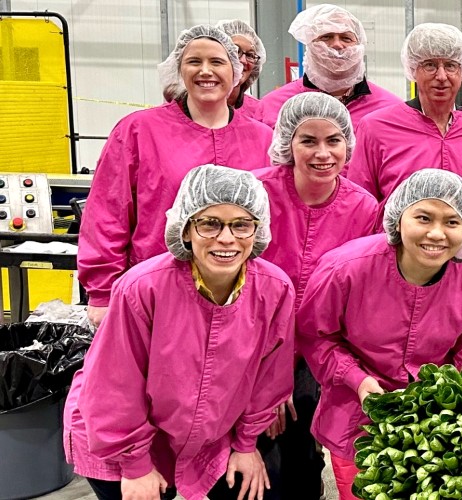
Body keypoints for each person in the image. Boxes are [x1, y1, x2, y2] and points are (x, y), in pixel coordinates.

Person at [63, 165, 293, 500]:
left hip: (202, 436)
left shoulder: (274, 289)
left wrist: (246, 445)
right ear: (185, 230)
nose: (226, 238)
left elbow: (268, 379)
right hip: (116, 437)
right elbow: (115, 384)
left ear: (257, 231)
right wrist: (135, 466)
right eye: (209, 223)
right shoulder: (143, 288)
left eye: (241, 225)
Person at [298, 169, 462, 500]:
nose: (436, 233)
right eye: (423, 217)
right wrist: (357, 380)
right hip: (354, 417)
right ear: (398, 217)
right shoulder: (345, 269)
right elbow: (317, 338)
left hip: (436, 422)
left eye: (452, 222)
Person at [79, 24, 273, 327]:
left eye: (217, 62)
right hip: (154, 290)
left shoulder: (262, 139)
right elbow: (108, 213)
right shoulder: (139, 131)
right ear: (178, 70)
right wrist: (102, 292)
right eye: (194, 62)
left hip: (239, 296)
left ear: (235, 71)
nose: (205, 71)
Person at [252, 92, 379, 499]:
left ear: (349, 146)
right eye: (308, 140)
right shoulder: (256, 194)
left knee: (303, 458)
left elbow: (360, 295)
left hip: (316, 350)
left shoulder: (364, 207)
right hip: (253, 346)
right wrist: (269, 383)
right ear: (287, 142)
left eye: (333, 141)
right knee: (256, 462)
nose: (322, 153)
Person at [346, 23, 462, 200]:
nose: (441, 76)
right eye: (430, 65)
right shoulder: (377, 128)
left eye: (450, 65)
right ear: (413, 69)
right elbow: (360, 203)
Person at [258, 4, 400, 128]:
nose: (337, 44)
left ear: (360, 46)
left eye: (346, 38)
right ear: (310, 44)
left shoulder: (391, 108)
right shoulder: (273, 106)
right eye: (326, 36)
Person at [215, 19, 267, 122]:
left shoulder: (259, 112)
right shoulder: (187, 108)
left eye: (250, 55)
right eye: (235, 51)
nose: (243, 61)